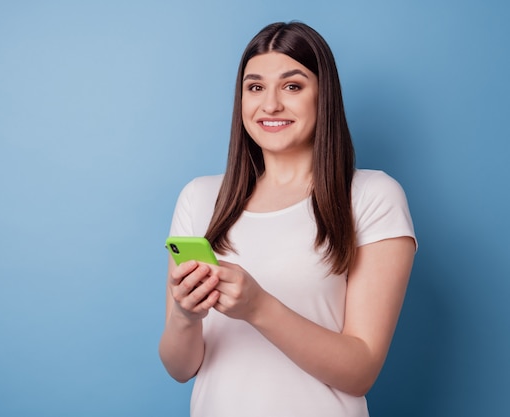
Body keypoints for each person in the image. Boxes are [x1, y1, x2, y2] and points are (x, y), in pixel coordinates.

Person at [158, 21, 416, 417]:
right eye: (255, 87)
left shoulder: (371, 196)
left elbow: (361, 370)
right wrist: (186, 316)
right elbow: (180, 368)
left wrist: (258, 307)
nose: (271, 105)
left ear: (323, 96)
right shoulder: (200, 198)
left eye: (292, 86)